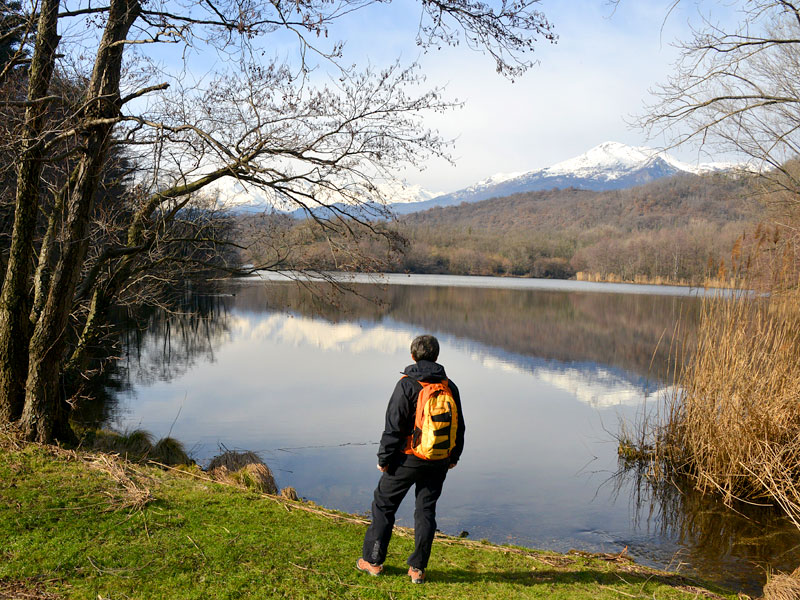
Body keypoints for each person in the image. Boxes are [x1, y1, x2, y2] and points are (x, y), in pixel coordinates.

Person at [357, 334, 465, 584]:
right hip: (439, 458)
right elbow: (460, 426)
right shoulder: (449, 386)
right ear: (436, 357)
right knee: (426, 510)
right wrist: (453, 455)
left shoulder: (406, 384)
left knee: (384, 504)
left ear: (412, 356)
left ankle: (373, 561)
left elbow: (393, 427)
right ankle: (417, 569)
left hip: (407, 458)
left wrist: (384, 458)